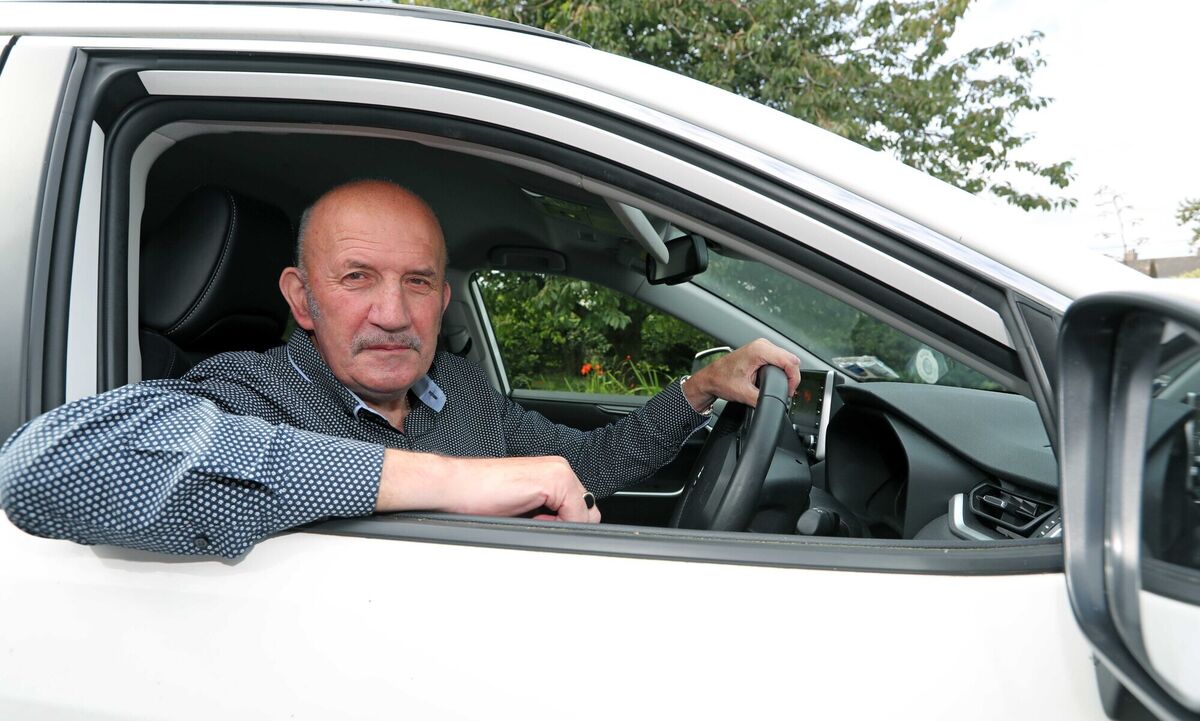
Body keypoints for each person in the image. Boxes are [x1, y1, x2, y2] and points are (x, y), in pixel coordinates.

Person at [0, 180, 800, 558]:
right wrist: (449, 482)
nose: (392, 313)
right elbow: (42, 469)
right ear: (302, 298)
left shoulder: (465, 391)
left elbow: (583, 466)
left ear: (441, 298)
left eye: (417, 282)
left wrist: (699, 388)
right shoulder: (249, 391)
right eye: (357, 278)